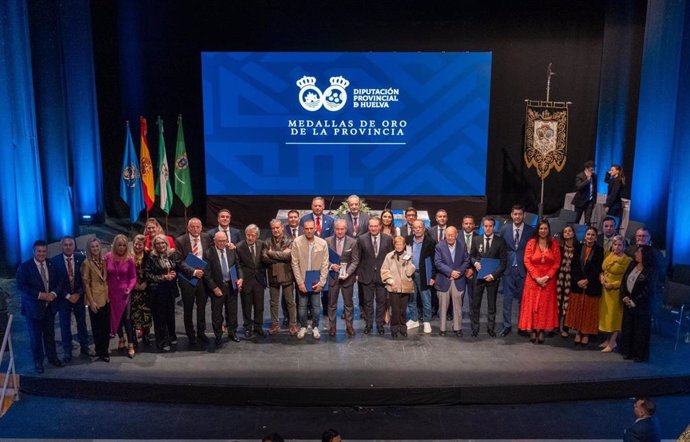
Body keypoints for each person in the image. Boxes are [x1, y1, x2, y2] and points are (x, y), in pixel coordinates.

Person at [16, 240, 63, 373]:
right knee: (35, 338)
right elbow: (21, 287)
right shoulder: (25, 267)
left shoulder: (51, 264)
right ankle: (38, 362)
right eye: (39, 251)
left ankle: (52, 357)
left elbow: (59, 282)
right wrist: (40, 295)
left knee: (50, 335)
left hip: (49, 308)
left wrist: (53, 293)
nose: (42, 254)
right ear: (33, 251)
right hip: (33, 309)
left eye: (44, 251)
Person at [518, 220, 561, 344]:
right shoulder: (531, 243)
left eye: (545, 228)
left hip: (549, 280)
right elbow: (527, 261)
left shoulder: (553, 243)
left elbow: (557, 263)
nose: (543, 231)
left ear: (548, 230)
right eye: (541, 228)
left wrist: (547, 277)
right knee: (532, 306)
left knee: (544, 306)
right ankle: (532, 329)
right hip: (532, 280)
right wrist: (537, 278)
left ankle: (541, 329)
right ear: (538, 230)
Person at [50, 236, 90, 363]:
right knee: (64, 325)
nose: (68, 247)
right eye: (65, 245)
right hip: (63, 298)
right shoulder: (54, 261)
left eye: (70, 244)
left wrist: (78, 294)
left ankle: (85, 348)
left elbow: (85, 280)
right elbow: (54, 283)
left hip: (78, 297)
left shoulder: (81, 258)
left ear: (74, 246)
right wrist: (67, 296)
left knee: (82, 323)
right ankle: (67, 351)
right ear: (61, 246)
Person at [564, 226, 604, 347]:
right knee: (578, 310)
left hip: (591, 285)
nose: (590, 237)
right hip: (577, 284)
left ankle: (586, 334)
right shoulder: (578, 248)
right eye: (588, 234)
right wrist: (578, 280)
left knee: (588, 311)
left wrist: (587, 281)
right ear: (584, 236)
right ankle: (577, 332)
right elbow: (574, 266)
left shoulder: (599, 250)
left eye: (592, 235)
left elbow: (598, 268)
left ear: (596, 237)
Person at [499, 205, 535, 337]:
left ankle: (522, 326)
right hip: (508, 270)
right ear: (511, 215)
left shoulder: (531, 231)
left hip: (523, 270)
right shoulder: (504, 229)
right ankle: (507, 325)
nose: (517, 216)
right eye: (515, 214)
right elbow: (500, 249)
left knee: (523, 301)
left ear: (524, 215)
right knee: (507, 300)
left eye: (520, 214)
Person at [175, 217, 211, 345]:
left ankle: (201, 333)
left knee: (202, 307)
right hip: (187, 278)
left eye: (198, 227)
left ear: (201, 228)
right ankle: (190, 334)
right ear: (188, 228)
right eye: (193, 227)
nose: (195, 229)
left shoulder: (207, 237)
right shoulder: (180, 240)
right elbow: (179, 261)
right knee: (188, 308)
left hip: (203, 279)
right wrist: (193, 272)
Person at [291, 219, 329, 339]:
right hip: (302, 279)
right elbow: (294, 263)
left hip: (316, 280)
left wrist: (321, 283)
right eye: (306, 228)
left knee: (316, 307)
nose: (308, 231)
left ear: (315, 229)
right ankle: (303, 326)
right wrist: (300, 282)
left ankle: (315, 327)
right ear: (303, 229)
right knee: (301, 307)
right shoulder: (297, 242)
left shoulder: (322, 243)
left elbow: (325, 264)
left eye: (311, 228)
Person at [469, 217, 507, 338]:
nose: (488, 228)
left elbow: (503, 262)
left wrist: (493, 275)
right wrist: (475, 263)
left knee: (492, 305)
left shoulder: (500, 241)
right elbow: (471, 256)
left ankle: (491, 328)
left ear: (494, 227)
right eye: (486, 226)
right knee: (476, 304)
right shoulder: (476, 239)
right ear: (482, 227)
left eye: (490, 226)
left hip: (492, 278)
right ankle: (475, 328)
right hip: (478, 277)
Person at [356, 216, 394, 335]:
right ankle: (368, 325)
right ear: (368, 226)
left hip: (382, 276)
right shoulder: (361, 239)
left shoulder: (388, 239)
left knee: (381, 302)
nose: (373, 228)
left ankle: (379, 324)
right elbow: (358, 258)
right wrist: (357, 274)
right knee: (367, 302)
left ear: (380, 226)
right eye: (371, 226)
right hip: (366, 276)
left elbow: (390, 258)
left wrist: (390, 275)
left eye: (375, 226)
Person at [204, 231, 242, 346]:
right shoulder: (208, 253)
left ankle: (232, 332)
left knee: (232, 312)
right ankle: (218, 335)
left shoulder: (231, 250)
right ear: (214, 241)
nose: (221, 243)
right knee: (216, 314)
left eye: (224, 240)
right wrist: (214, 288)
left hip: (231, 286)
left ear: (226, 240)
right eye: (219, 241)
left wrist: (241, 278)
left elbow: (238, 266)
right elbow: (207, 274)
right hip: (217, 288)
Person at [620, 245, 657, 362]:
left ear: (645, 255)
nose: (635, 254)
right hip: (628, 302)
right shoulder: (632, 265)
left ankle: (638, 354)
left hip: (641, 306)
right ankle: (627, 351)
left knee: (639, 331)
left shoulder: (651, 270)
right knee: (628, 328)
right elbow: (624, 281)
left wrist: (634, 301)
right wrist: (624, 296)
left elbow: (648, 289)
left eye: (638, 252)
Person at [324, 219, 360, 337]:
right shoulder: (327, 241)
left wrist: (348, 273)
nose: (340, 231)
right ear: (334, 229)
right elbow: (323, 259)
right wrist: (331, 265)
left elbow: (355, 261)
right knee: (332, 304)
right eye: (337, 229)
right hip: (332, 277)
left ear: (346, 229)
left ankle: (349, 326)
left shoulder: (353, 242)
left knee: (348, 304)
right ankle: (332, 327)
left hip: (347, 279)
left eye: (342, 229)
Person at [262, 219, 297, 335]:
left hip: (286, 274)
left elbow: (289, 257)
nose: (275, 230)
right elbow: (264, 259)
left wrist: (271, 254)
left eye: (277, 228)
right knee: (273, 302)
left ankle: (293, 325)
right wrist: (281, 255)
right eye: (273, 228)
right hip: (273, 275)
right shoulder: (267, 242)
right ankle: (275, 325)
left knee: (290, 302)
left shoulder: (290, 241)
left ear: (282, 227)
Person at [144, 234, 179, 352]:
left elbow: (175, 268)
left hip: (170, 290)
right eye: (158, 243)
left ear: (166, 244)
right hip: (157, 291)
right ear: (154, 245)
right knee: (160, 318)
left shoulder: (171, 255)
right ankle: (161, 341)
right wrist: (163, 277)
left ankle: (171, 336)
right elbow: (148, 275)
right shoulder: (151, 257)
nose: (161, 245)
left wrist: (174, 274)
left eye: (163, 243)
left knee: (170, 315)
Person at [598, 235, 632, 352]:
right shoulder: (609, 255)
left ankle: (613, 343)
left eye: (619, 245)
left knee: (615, 317)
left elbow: (625, 279)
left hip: (616, 292)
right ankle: (608, 340)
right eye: (615, 244)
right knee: (607, 317)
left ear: (624, 246)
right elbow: (603, 270)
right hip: (605, 290)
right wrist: (601, 277)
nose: (617, 247)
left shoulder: (627, 260)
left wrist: (612, 285)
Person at [434, 226, 470, 337]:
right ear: (445, 235)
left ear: (456, 235)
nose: (450, 237)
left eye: (452, 235)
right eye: (448, 235)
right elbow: (438, 262)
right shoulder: (439, 246)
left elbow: (466, 261)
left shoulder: (462, 245)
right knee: (443, 306)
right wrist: (450, 272)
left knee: (458, 306)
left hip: (458, 280)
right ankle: (443, 328)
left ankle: (457, 328)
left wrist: (457, 273)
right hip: (444, 280)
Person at [105, 234, 137, 358]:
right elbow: (105, 276)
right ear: (115, 245)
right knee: (115, 318)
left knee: (126, 320)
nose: (122, 248)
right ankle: (121, 339)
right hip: (112, 293)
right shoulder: (107, 257)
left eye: (124, 245)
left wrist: (130, 288)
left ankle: (130, 344)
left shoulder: (130, 259)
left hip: (125, 294)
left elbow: (133, 277)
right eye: (120, 245)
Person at [235, 224, 268, 338]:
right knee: (247, 306)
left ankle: (258, 327)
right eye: (248, 235)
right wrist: (241, 278)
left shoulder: (261, 244)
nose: (250, 238)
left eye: (252, 235)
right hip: (246, 281)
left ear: (257, 236)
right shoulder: (239, 247)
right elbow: (238, 265)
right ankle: (247, 327)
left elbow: (264, 260)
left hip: (259, 280)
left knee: (259, 307)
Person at [81, 238, 110, 362]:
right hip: (95, 300)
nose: (95, 249)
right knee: (97, 328)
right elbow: (86, 284)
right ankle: (101, 352)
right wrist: (91, 301)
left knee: (106, 327)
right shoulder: (86, 263)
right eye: (93, 247)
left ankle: (105, 350)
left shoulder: (103, 260)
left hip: (106, 298)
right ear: (89, 248)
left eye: (97, 246)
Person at [405, 220, 436, 334]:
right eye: (415, 227)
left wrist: (433, 276)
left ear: (424, 228)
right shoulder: (407, 240)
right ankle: (414, 319)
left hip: (424, 274)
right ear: (412, 229)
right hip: (410, 274)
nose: (417, 229)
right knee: (411, 298)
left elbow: (433, 261)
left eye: (420, 227)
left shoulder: (431, 242)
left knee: (426, 299)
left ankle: (427, 321)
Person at [382, 235, 416, 337]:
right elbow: (384, 271)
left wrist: (409, 262)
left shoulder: (408, 256)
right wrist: (391, 282)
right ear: (394, 244)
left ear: (404, 245)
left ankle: (402, 328)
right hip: (394, 286)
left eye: (401, 244)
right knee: (395, 309)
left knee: (403, 309)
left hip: (405, 287)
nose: (399, 246)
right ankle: (394, 328)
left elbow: (409, 273)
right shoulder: (389, 256)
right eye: (397, 244)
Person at [556, 225, 580, 338]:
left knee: (568, 304)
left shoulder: (579, 247)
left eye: (570, 231)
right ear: (563, 235)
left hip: (572, 279)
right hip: (560, 278)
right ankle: (556, 326)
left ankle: (565, 328)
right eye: (565, 231)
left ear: (573, 233)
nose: (568, 233)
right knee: (558, 302)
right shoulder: (559, 247)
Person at [130, 234, 152, 345]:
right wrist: (133, 284)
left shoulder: (148, 255)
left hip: (146, 289)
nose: (138, 246)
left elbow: (152, 270)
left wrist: (146, 282)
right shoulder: (128, 256)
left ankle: (146, 335)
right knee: (134, 314)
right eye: (136, 244)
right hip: (133, 290)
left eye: (140, 244)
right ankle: (133, 336)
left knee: (146, 313)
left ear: (144, 245)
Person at [572, 160, 597, 225]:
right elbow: (578, 187)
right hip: (580, 201)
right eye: (591, 170)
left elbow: (594, 189)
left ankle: (587, 233)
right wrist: (587, 180)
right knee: (576, 219)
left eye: (593, 170)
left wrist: (594, 201)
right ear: (586, 168)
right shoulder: (579, 176)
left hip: (590, 202)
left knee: (588, 220)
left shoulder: (594, 176)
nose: (592, 171)